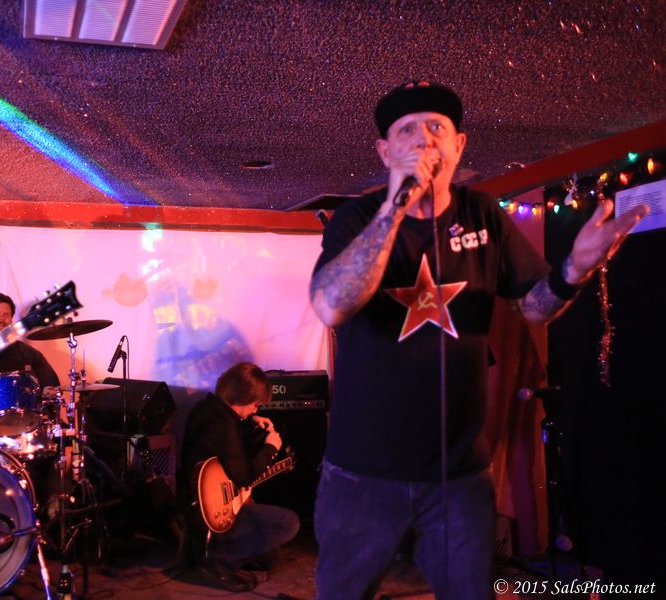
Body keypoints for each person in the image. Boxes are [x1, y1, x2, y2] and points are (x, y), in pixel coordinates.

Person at [308, 81, 649, 599]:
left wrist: (573, 271)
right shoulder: (358, 218)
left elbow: (532, 308)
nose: (423, 138)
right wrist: (397, 205)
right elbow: (331, 305)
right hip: (361, 474)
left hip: (460, 474)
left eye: (436, 127)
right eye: (406, 130)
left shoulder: (484, 215)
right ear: (385, 152)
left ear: (459, 145)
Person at [178, 362, 300, 592]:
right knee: (288, 523)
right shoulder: (224, 426)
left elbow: (225, 448)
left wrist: (249, 422)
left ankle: (208, 551)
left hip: (193, 507)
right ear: (244, 398)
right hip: (210, 516)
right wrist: (271, 448)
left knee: (269, 558)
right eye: (255, 405)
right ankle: (216, 561)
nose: (256, 410)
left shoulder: (206, 409)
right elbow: (244, 477)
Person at [0, 291, 60, 391]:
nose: (2, 319)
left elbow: (51, 385)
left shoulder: (27, 353)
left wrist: (48, 390)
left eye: (7, 315)